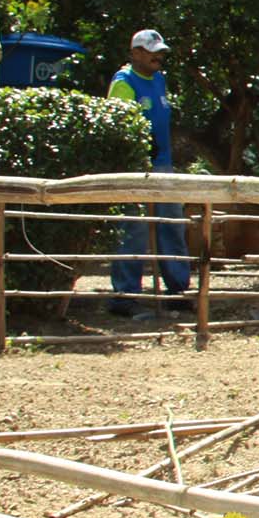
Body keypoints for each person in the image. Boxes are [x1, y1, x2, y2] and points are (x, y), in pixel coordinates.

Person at [108, 29, 192, 317]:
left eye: (160, 52)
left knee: (172, 225)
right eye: (151, 51)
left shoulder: (159, 80)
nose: (158, 56)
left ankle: (178, 291)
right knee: (134, 230)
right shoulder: (124, 83)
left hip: (163, 165)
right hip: (136, 166)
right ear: (135, 53)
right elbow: (118, 127)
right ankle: (125, 295)